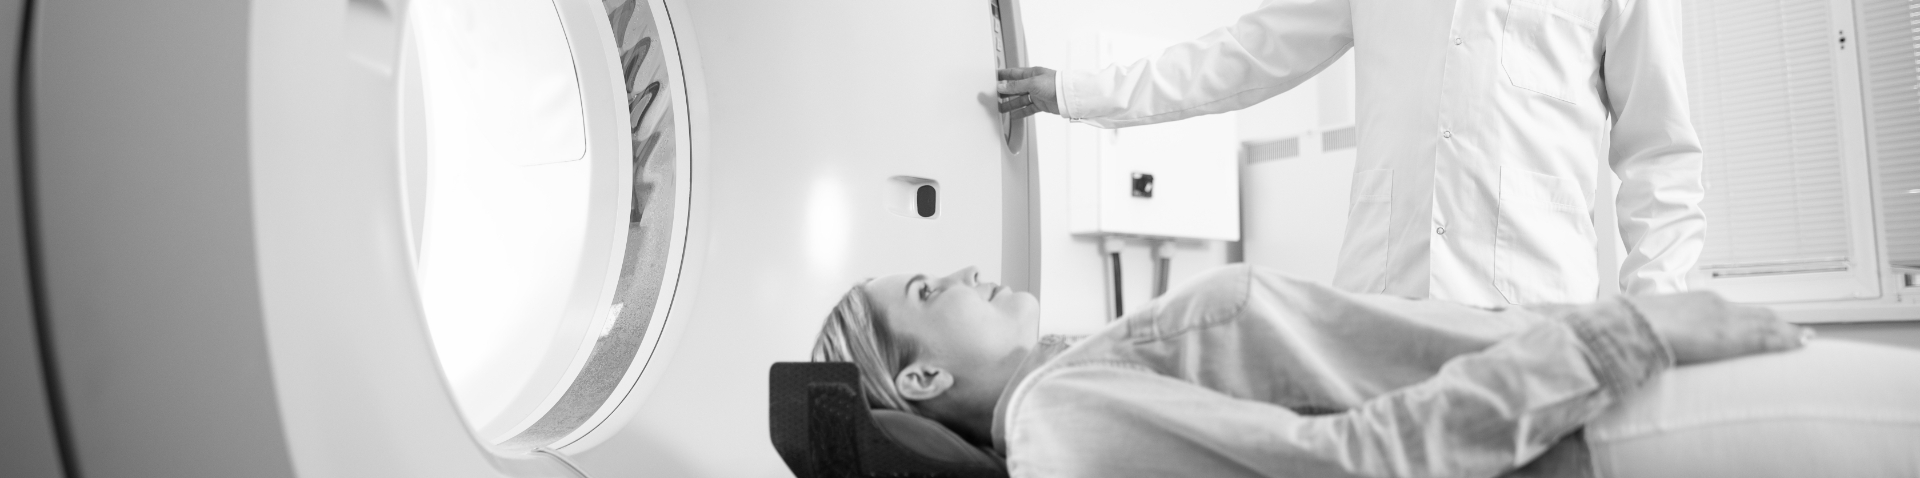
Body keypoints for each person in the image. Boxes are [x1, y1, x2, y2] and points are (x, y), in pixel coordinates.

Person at [813, 265, 1920, 477]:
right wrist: (1622, 334)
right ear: (918, 382)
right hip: (1602, 422)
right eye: (928, 290)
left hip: (1593, 397)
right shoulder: (1059, 424)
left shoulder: (1072, 382)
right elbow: (1352, 465)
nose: (965, 271)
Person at [995, 0, 1707, 308]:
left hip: (1534, 315)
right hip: (1381, 307)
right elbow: (1245, 53)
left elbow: (1661, 155)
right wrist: (1079, 90)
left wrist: (1660, 321)